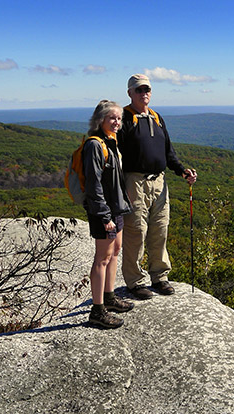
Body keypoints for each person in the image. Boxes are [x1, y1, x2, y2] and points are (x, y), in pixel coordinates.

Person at [118, 74, 197, 299]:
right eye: (139, 90)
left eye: (147, 89)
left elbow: (168, 152)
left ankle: (160, 276)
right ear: (130, 93)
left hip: (159, 181)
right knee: (136, 231)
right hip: (135, 181)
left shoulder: (156, 117)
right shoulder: (124, 118)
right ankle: (135, 281)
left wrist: (182, 171)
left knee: (160, 229)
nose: (144, 93)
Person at [84, 100, 134, 328]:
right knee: (102, 259)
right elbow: (93, 185)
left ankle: (109, 296)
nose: (116, 122)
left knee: (115, 252)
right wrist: (104, 216)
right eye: (112, 118)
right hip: (103, 212)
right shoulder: (94, 145)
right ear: (100, 120)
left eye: (119, 118)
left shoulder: (111, 142)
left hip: (116, 209)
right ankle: (97, 310)